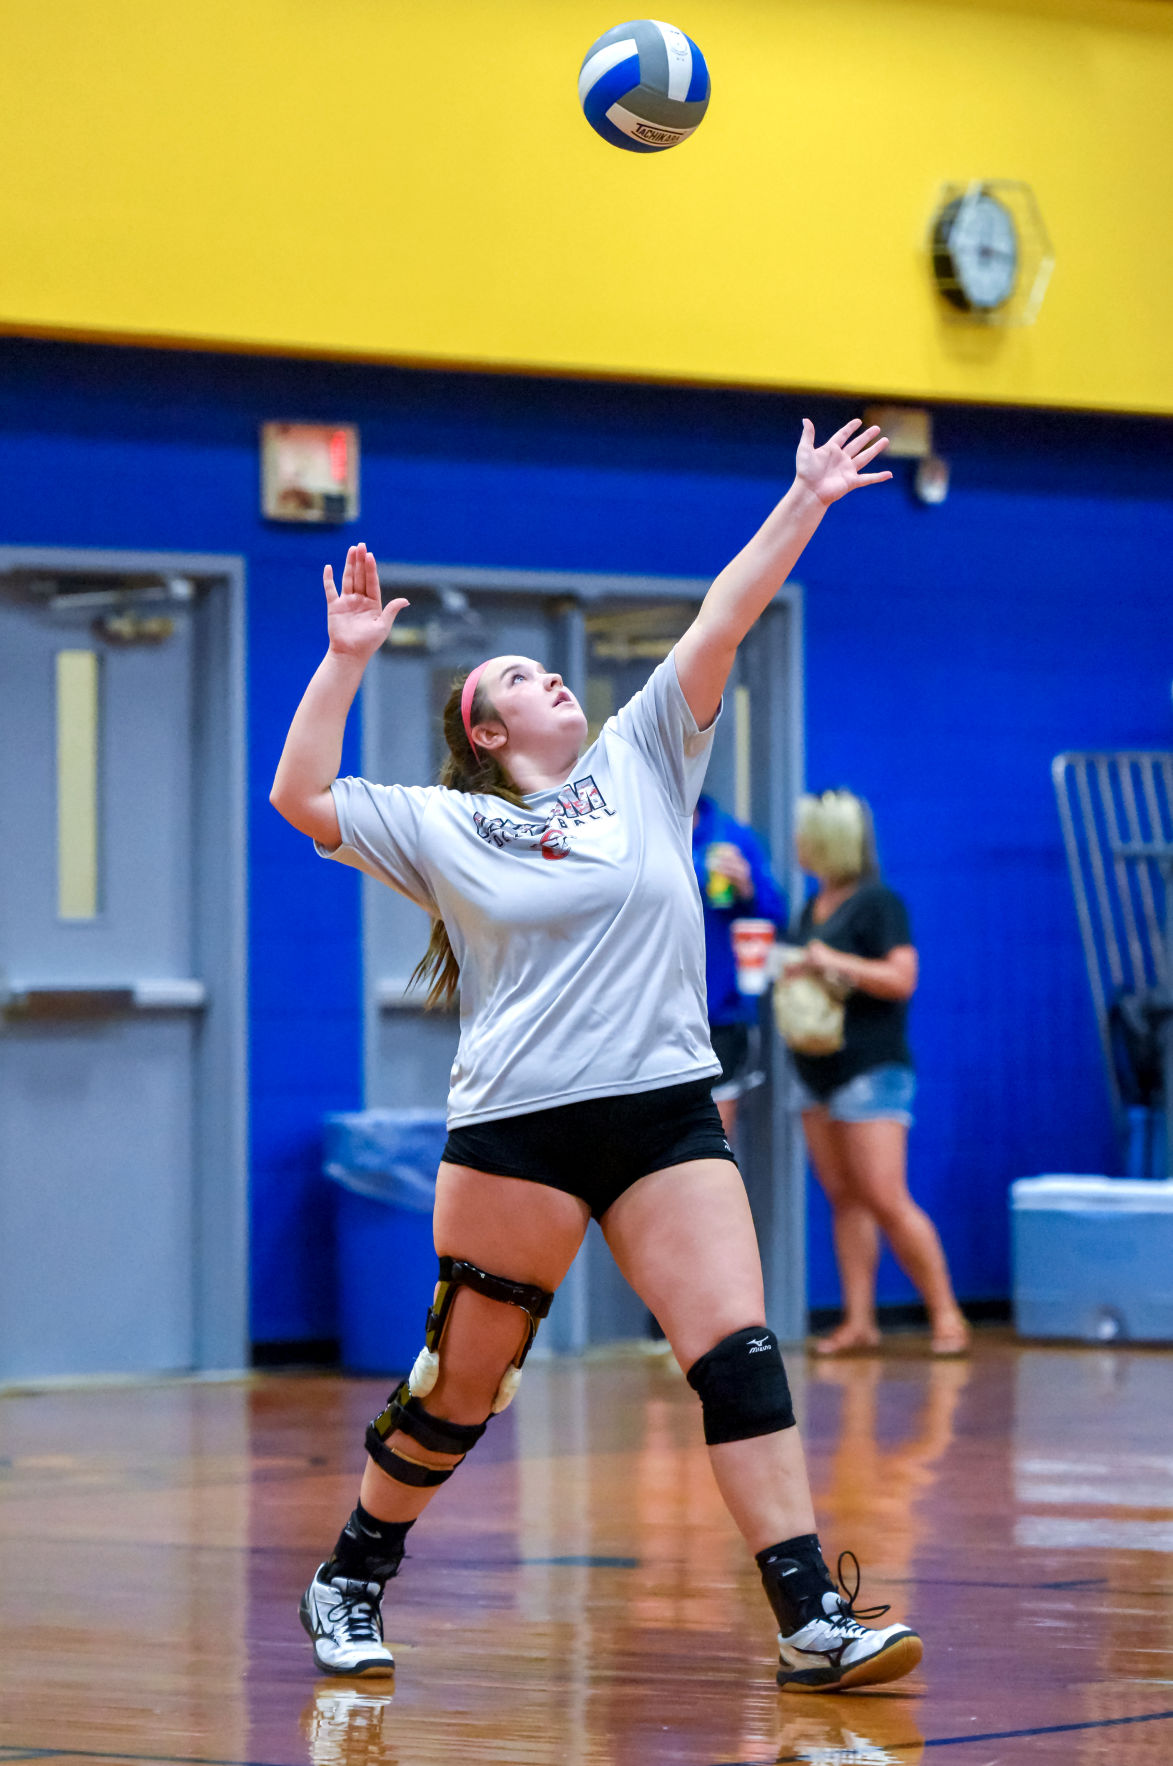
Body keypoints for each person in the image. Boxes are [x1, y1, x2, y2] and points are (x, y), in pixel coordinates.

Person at [270, 418, 924, 1694]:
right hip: (518, 1127)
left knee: (737, 1349)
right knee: (464, 1385)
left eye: (552, 668)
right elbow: (301, 792)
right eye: (521, 674)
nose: (550, 678)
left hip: (667, 1111)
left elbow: (726, 617)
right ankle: (350, 1571)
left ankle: (809, 1617)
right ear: (487, 725)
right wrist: (347, 660)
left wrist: (807, 501)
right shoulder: (445, 823)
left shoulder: (642, 756)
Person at [783, 791, 970, 1357]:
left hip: (870, 1068)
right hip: (814, 1068)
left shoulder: (879, 904)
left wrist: (831, 962)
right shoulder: (811, 907)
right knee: (844, 1197)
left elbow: (901, 977)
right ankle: (859, 1320)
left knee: (886, 1196)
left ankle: (946, 1314)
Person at [692, 794, 786, 1144]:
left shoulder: (730, 836)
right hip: (651, 1015)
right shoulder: (636, 827)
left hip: (721, 1017)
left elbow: (775, 917)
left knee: (710, 1145)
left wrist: (748, 888)